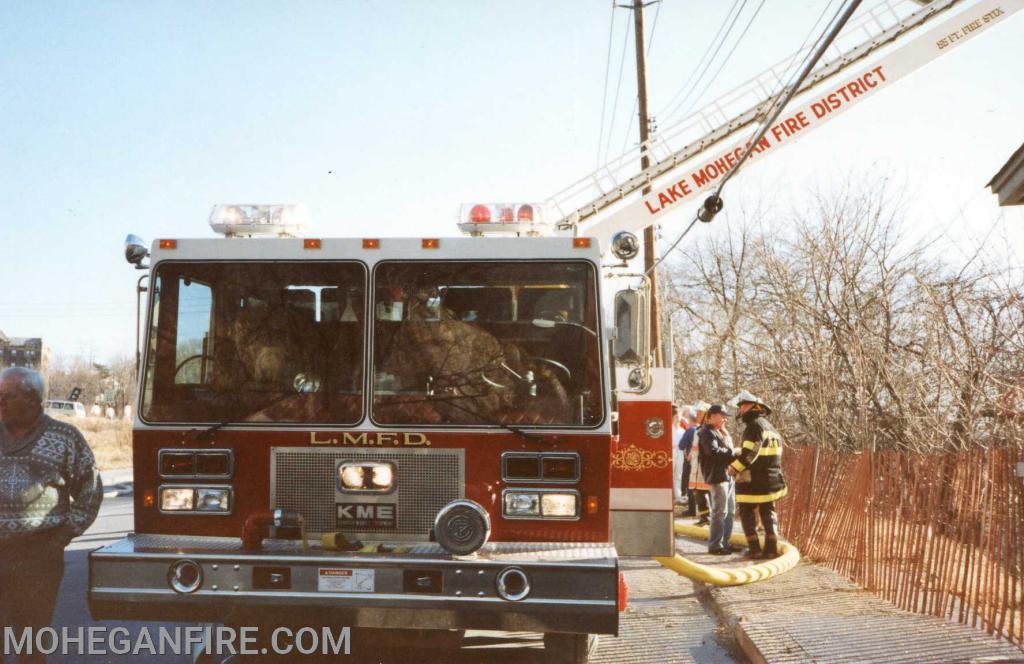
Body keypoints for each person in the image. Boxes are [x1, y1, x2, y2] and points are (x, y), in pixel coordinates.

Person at [0, 367, 103, 662]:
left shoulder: (65, 437)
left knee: (29, 640)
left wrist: (60, 537)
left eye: (8, 396)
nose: (1, 402)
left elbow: (91, 490)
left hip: (37, 553)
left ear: (33, 399)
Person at [728, 390, 787, 559]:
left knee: (746, 512)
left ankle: (754, 549)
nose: (741, 409)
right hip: (771, 479)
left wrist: (734, 468)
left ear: (755, 407)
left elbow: (750, 454)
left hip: (754, 481)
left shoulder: (753, 427)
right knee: (768, 512)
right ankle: (771, 549)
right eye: (740, 406)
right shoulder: (770, 427)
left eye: (744, 405)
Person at [699, 404, 737, 554]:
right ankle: (715, 545)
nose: (724, 420)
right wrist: (733, 453)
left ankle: (724, 542)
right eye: (722, 416)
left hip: (727, 475)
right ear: (712, 416)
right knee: (719, 512)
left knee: (730, 511)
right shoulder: (707, 432)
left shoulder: (718, 432)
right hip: (717, 476)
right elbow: (712, 452)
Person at [683, 401, 710, 521]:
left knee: (705, 493)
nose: (697, 415)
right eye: (697, 413)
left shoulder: (708, 430)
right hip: (696, 467)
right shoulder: (699, 429)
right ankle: (704, 517)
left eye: (700, 413)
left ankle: (707, 517)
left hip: (704, 468)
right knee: (698, 493)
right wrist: (691, 455)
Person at [671, 404, 690, 506]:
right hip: (671, 453)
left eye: (680, 416)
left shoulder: (682, 431)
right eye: (677, 416)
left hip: (680, 454)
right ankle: (669, 495)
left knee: (678, 474)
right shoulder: (668, 430)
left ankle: (678, 496)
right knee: (670, 473)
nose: (679, 418)